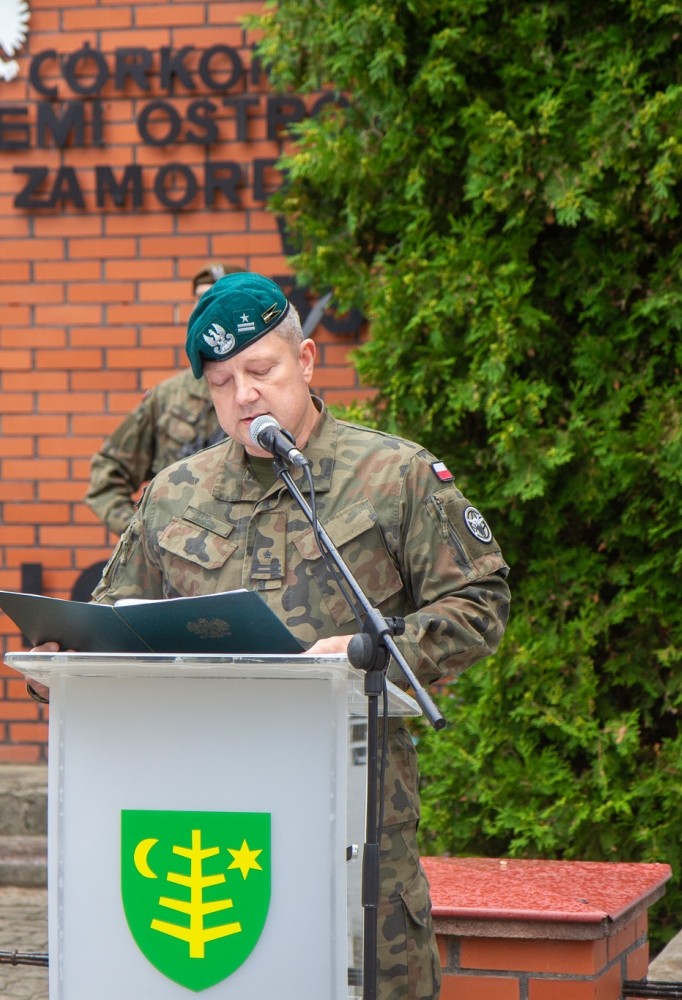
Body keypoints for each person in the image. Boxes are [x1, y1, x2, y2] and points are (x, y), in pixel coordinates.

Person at [41, 271, 511, 999]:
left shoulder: (395, 475)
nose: (244, 396)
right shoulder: (174, 493)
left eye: (261, 370)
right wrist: (67, 664)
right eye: (222, 383)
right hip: (211, 816)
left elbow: (480, 601)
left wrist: (375, 652)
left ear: (307, 361)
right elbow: (111, 623)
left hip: (356, 809)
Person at [84, 263, 244, 537]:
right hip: (179, 554)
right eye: (199, 300)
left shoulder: (274, 392)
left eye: (216, 300)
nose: (204, 310)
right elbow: (107, 473)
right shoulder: (169, 396)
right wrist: (143, 534)